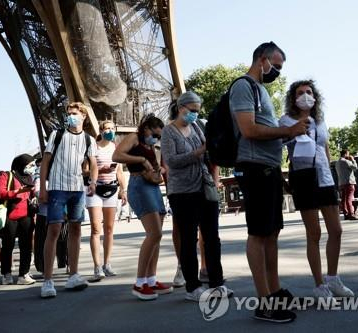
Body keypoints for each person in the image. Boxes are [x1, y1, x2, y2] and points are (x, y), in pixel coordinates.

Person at [230, 42, 309, 323]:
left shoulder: (260, 89)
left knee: (272, 231)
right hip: (255, 168)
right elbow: (249, 129)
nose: (276, 71)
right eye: (275, 65)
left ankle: (274, 291)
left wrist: (290, 133)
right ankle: (263, 300)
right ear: (262, 59)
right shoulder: (244, 86)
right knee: (259, 233)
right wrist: (286, 129)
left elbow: (266, 130)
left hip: (269, 167)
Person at [281, 80, 354, 301]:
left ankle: (333, 277)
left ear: (315, 97)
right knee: (314, 233)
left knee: (337, 230)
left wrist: (333, 173)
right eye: (300, 93)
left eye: (309, 92)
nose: (305, 95)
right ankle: (319, 285)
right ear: (293, 98)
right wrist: (293, 131)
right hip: (304, 178)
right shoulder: (286, 120)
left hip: (324, 177)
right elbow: (279, 145)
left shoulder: (320, 121)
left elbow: (325, 147)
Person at [162, 91, 232, 301]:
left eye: (197, 111)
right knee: (188, 238)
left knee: (212, 238)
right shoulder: (168, 132)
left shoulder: (197, 128)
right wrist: (199, 152)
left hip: (204, 187)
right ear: (180, 107)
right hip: (182, 191)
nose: (194, 114)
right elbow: (171, 161)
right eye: (191, 110)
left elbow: (208, 153)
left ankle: (216, 283)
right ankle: (192, 287)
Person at [39, 102, 98, 298]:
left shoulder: (89, 139)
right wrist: (42, 188)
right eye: (69, 113)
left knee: (76, 229)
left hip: (77, 189)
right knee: (54, 229)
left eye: (74, 113)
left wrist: (93, 182)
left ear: (83, 116)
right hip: (57, 187)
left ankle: (73, 274)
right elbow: (45, 161)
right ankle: (48, 280)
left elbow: (93, 163)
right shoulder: (57, 135)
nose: (70, 116)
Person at [113, 114, 172, 301]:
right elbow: (117, 155)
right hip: (139, 186)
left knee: (156, 236)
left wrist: (158, 170)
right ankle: (139, 283)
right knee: (154, 234)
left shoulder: (149, 144)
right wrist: (140, 160)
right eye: (154, 134)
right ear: (146, 128)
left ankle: (151, 279)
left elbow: (153, 166)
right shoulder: (134, 138)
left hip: (152, 187)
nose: (156, 139)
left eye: (158, 137)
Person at [87, 120, 127, 281]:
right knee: (96, 229)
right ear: (101, 131)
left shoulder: (115, 148)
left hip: (111, 189)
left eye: (112, 129)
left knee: (109, 229)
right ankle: (97, 267)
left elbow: (120, 172)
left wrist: (123, 190)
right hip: (95, 189)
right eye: (107, 129)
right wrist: (98, 170)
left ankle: (107, 264)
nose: (110, 131)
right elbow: (84, 169)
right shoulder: (93, 147)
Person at [0, 155, 36, 285]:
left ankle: (23, 275)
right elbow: (1, 193)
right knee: (8, 246)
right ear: (21, 164)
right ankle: (6, 274)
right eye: (29, 165)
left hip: (26, 215)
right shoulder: (6, 175)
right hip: (10, 215)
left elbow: (31, 195)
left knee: (26, 246)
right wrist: (18, 191)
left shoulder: (29, 178)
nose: (32, 167)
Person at [335, 149, 358, 220]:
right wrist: (353, 160)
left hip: (341, 183)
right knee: (349, 199)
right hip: (349, 183)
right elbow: (355, 168)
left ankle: (346, 214)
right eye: (348, 154)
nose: (349, 155)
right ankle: (351, 214)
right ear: (345, 154)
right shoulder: (346, 161)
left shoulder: (337, 162)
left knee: (343, 199)